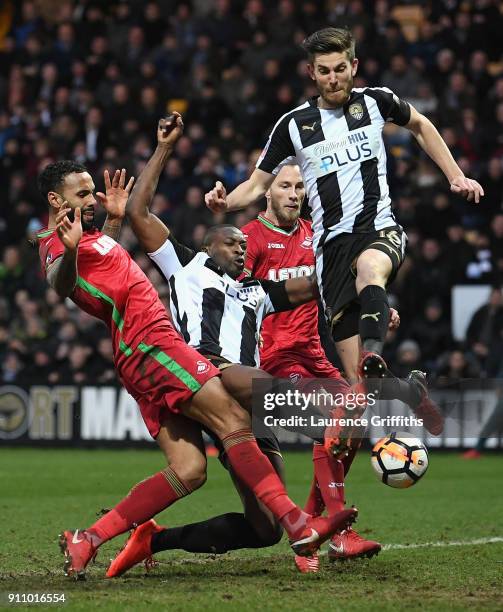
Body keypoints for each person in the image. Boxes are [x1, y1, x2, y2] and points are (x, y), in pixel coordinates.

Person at [37, 157, 356, 579]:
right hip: (157, 345)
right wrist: (76, 245)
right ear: (55, 199)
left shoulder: (93, 239)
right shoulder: (63, 243)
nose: (92, 199)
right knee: (234, 414)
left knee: (191, 471)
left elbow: (99, 283)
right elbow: (61, 280)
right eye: (83, 194)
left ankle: (91, 539)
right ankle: (302, 521)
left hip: (146, 356)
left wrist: (111, 222)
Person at [206, 26, 483, 429]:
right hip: (330, 250)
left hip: (377, 228)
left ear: (354, 66)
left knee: (371, 269)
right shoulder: (293, 125)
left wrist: (455, 175)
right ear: (311, 73)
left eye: (340, 68)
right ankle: (408, 392)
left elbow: (421, 124)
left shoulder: (376, 102)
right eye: (324, 71)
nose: (333, 78)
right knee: (359, 388)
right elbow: (256, 184)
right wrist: (224, 202)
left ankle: (374, 352)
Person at [241, 162, 382, 572]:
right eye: (284, 185)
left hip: (314, 354)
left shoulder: (316, 236)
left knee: (353, 420)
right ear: (267, 190)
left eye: (300, 186)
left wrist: (375, 308)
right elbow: (233, 297)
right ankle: (336, 534)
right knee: (336, 422)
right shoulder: (249, 239)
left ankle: (312, 532)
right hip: (273, 359)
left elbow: (343, 288)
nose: (293, 193)